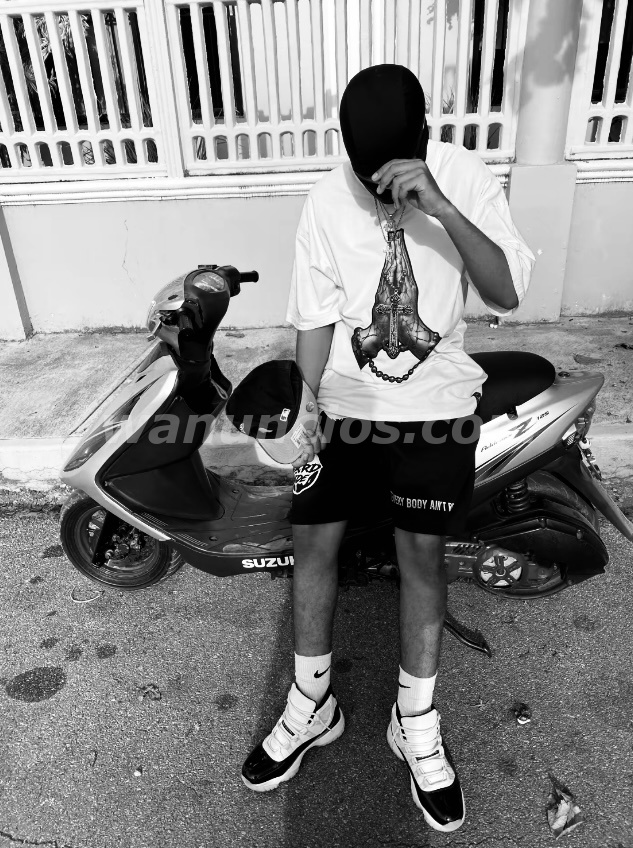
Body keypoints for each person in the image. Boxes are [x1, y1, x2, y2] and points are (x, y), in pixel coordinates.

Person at [241, 64, 535, 832]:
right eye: (363, 170)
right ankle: (311, 703)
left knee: (420, 558)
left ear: (425, 137)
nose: (375, 186)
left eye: (389, 169)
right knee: (312, 545)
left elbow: (505, 292)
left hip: (435, 406)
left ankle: (415, 721)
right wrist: (305, 404)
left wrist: (439, 206)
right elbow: (314, 316)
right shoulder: (324, 200)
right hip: (346, 405)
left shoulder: (464, 177)